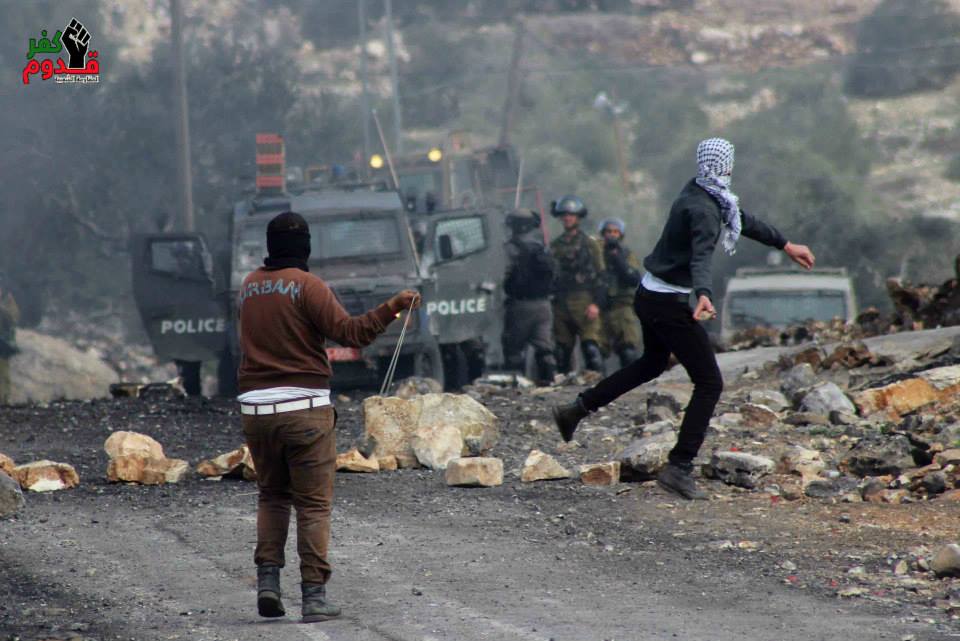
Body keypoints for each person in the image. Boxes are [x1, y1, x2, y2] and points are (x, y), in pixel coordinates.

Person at [551, 138, 815, 500]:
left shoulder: (703, 192)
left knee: (652, 364)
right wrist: (704, 293)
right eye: (729, 165)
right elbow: (701, 255)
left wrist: (785, 245)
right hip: (665, 303)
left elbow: (742, 220)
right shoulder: (704, 209)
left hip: (650, 295)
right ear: (722, 167)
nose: (731, 170)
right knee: (709, 383)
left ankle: (575, 409)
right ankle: (680, 466)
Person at [237, 211, 420, 622]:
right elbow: (352, 334)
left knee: (272, 495)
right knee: (313, 505)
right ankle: (314, 597)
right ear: (305, 247)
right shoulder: (308, 286)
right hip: (305, 410)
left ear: (269, 245)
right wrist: (393, 306)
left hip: (256, 412)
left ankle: (268, 582)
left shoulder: (249, 288)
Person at [549, 195, 606, 374]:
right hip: (561, 302)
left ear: (578, 217)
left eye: (571, 215)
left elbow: (602, 276)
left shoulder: (590, 244)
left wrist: (596, 303)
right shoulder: (554, 246)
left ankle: (599, 387)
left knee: (591, 348)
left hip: (585, 300)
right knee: (562, 351)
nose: (567, 218)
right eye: (564, 215)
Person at [502, 210, 557, 385]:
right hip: (544, 306)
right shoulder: (542, 248)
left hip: (520, 306)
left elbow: (502, 275)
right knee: (544, 348)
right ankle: (548, 383)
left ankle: (516, 386)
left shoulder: (509, 249)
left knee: (513, 349)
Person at [597, 217, 642, 368]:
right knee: (595, 351)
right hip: (599, 309)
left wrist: (618, 259)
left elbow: (634, 278)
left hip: (622, 308)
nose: (611, 235)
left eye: (615, 232)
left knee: (627, 350)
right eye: (608, 231)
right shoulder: (596, 253)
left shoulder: (626, 254)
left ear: (620, 234)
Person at [0, 274, 20, 405]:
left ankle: (4, 399)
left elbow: (13, 318)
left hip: (3, 344)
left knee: (3, 374)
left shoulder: (8, 301)